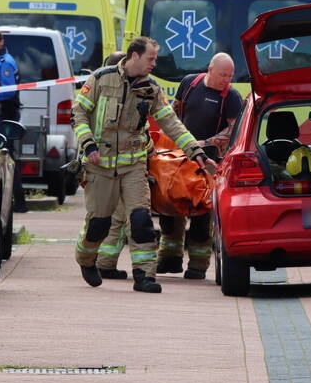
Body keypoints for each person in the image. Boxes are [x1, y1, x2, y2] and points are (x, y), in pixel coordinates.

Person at [72, 36, 216, 293]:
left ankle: (145, 276)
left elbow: (171, 123)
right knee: (99, 223)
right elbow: (79, 113)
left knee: (140, 220)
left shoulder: (151, 89)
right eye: (150, 58)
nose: (154, 63)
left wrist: (195, 151)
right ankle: (86, 259)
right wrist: (88, 144)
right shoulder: (100, 79)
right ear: (134, 56)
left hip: (133, 165)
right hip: (100, 165)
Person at [157, 52, 242, 280]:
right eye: (223, 74)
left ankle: (197, 266)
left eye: (231, 75)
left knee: (202, 215)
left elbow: (233, 130)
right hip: (178, 158)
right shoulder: (189, 83)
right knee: (172, 207)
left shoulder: (231, 97)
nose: (227, 79)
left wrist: (205, 143)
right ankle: (169, 259)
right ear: (210, 70)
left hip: (209, 162)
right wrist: (168, 137)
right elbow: (174, 112)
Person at [73, 51, 133, 280]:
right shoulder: (100, 89)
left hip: (120, 168)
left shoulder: (119, 91)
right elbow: (80, 120)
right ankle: (96, 261)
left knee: (107, 219)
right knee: (102, 219)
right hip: (102, 168)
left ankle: (101, 262)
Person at [0, 30, 26, 213]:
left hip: (7, 113)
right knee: (5, 156)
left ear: (2, 42)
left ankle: (19, 201)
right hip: (1, 113)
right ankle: (16, 200)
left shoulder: (5, 62)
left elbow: (8, 91)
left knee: (6, 155)